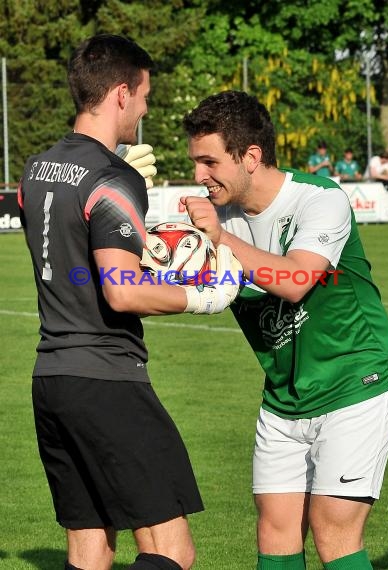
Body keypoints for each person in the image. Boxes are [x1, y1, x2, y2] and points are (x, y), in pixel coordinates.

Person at [17, 35, 239, 570]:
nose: (145, 108)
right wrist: (204, 296)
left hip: (52, 379)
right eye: (143, 96)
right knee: (171, 551)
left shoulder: (35, 169)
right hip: (107, 381)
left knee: (89, 549)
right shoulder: (114, 178)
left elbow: (72, 239)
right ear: (121, 92)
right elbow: (121, 288)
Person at [178, 90, 388, 570]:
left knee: (333, 530)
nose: (199, 176)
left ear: (251, 157)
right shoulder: (218, 220)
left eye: (209, 162)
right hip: (284, 395)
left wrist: (222, 240)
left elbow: (296, 281)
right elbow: (185, 289)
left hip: (354, 383)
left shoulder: (320, 199)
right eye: (195, 163)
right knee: (274, 531)